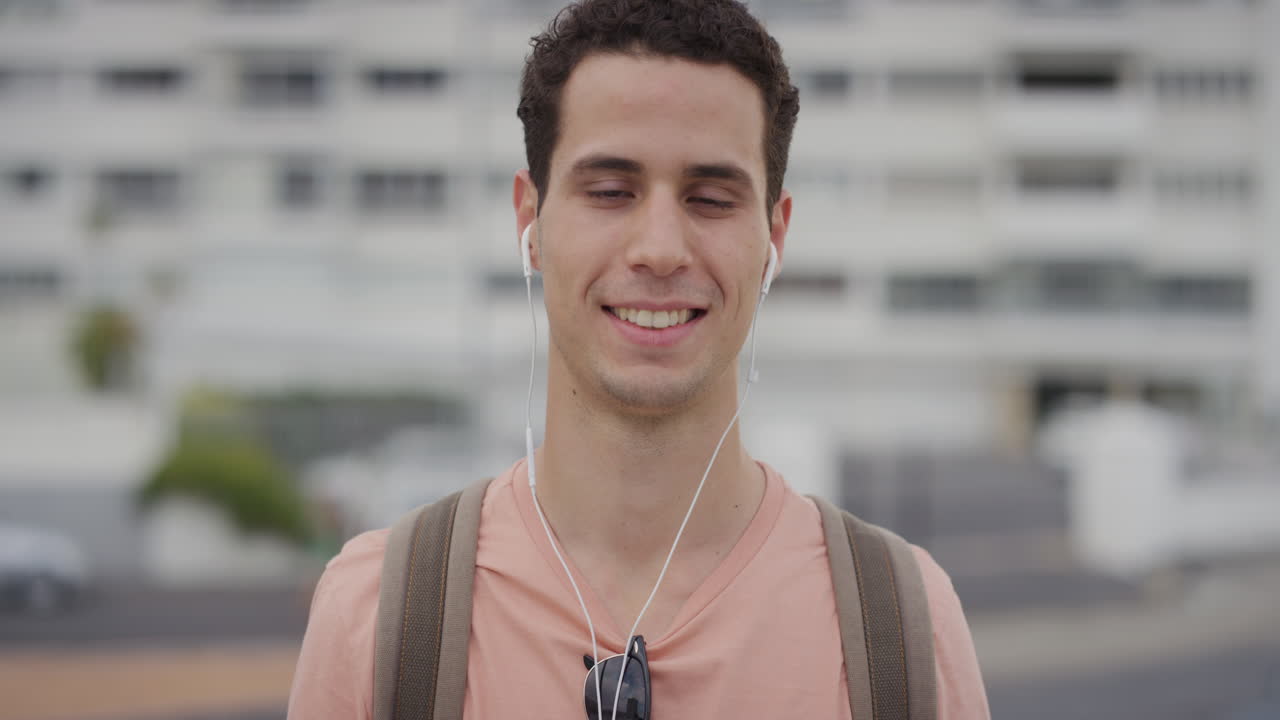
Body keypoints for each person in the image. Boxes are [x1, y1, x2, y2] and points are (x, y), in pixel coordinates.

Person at [287, 0, 990, 718]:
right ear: (530, 221)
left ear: (774, 237)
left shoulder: (900, 632)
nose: (659, 249)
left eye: (710, 198)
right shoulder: (380, 618)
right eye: (610, 192)